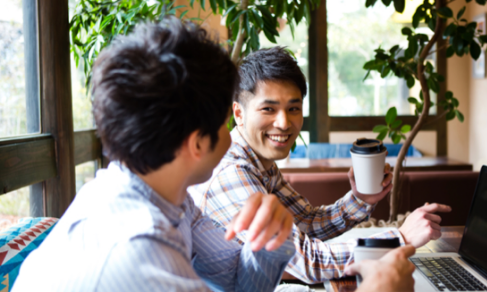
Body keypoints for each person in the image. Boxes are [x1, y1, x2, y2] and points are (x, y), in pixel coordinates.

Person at [12, 18, 297, 292]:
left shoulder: (168, 197)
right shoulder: (140, 249)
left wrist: (271, 239)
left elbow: (237, 283)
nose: (232, 134)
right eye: (225, 123)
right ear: (197, 143)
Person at [188, 47, 452, 283]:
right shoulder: (231, 172)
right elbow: (307, 261)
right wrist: (400, 238)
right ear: (238, 114)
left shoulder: (259, 162)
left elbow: (307, 221)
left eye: (293, 108)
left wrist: (360, 199)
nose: (284, 123)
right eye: (268, 109)